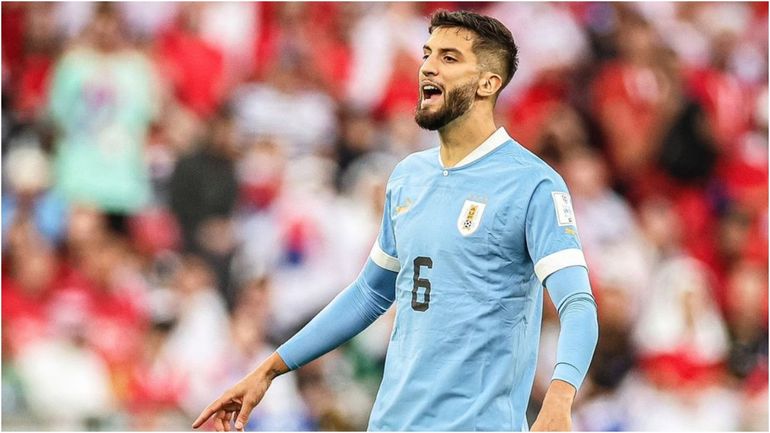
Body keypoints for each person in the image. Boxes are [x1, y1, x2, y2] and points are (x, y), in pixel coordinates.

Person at [193, 10, 598, 431]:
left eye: (449, 57)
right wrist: (270, 369)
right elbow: (370, 293)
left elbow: (577, 304)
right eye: (427, 53)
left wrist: (559, 398)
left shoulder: (532, 183)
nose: (428, 66)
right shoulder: (408, 177)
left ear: (488, 83)